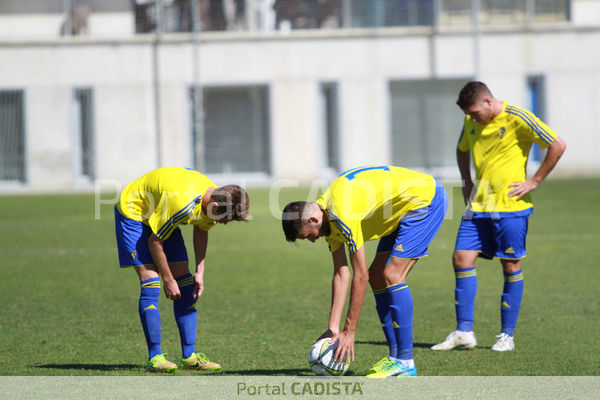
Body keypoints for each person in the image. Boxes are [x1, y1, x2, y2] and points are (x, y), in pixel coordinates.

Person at [431, 81, 566, 352]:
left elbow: (557, 144)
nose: (471, 118)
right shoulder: (471, 122)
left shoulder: (518, 117)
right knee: (460, 258)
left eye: (474, 113)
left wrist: (535, 181)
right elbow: (462, 148)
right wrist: (466, 181)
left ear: (488, 102)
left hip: (511, 207)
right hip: (479, 205)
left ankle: (507, 336)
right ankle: (464, 332)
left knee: (510, 265)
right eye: (468, 115)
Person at [282, 166, 448, 378]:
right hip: (398, 210)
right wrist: (334, 328)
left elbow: (360, 275)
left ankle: (405, 362)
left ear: (313, 220)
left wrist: (350, 332)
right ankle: (394, 358)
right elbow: (342, 274)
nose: (312, 240)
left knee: (392, 275)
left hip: (425, 200)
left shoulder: (341, 214)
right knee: (378, 276)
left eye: (308, 236)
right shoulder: (328, 218)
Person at [114, 167, 250, 372]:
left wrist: (200, 272)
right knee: (151, 282)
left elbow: (201, 229)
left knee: (186, 283)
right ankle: (155, 357)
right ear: (214, 205)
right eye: (226, 218)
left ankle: (189, 357)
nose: (224, 223)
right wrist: (168, 279)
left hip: (161, 212)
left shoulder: (212, 195)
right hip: (134, 213)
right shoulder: (183, 205)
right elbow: (154, 242)